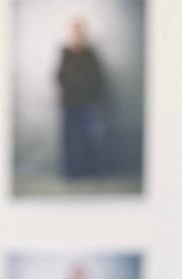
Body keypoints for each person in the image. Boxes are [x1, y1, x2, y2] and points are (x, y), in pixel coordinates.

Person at [56, 17, 108, 181]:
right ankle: (72, 173)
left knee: (87, 139)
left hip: (87, 104)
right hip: (70, 104)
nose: (78, 34)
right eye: (75, 30)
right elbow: (62, 77)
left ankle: (88, 172)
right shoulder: (65, 53)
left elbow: (96, 79)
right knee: (70, 140)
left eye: (80, 30)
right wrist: (80, 83)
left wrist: (86, 91)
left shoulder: (90, 54)